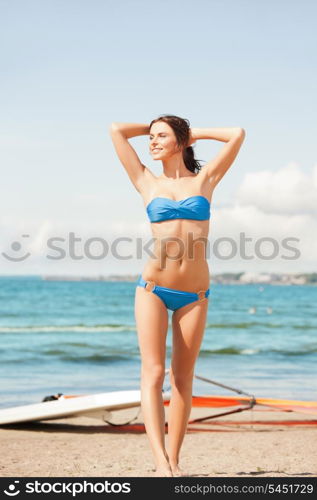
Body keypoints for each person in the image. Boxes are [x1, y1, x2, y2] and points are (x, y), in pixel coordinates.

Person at [109, 115, 245, 476]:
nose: (151, 142)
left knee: (183, 379)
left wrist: (189, 134)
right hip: (153, 289)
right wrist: (160, 128)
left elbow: (236, 134)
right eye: (150, 137)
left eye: (160, 137)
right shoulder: (145, 181)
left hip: (195, 294)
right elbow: (117, 130)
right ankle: (159, 461)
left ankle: (175, 459)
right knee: (153, 374)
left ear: (181, 142)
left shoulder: (206, 179)